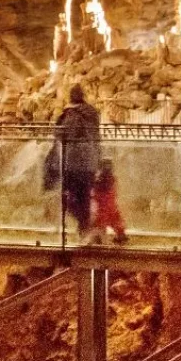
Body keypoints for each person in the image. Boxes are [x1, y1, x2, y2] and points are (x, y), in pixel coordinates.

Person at [54, 86, 103, 235]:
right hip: (90, 160)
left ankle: (82, 224)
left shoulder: (70, 114)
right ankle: (84, 227)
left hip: (73, 161)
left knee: (70, 196)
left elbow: (65, 134)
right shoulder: (92, 112)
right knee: (85, 196)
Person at [89, 159, 127, 244]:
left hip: (104, 208)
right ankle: (101, 239)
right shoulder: (109, 180)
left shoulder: (99, 180)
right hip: (107, 208)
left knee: (100, 226)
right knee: (103, 225)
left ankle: (99, 239)